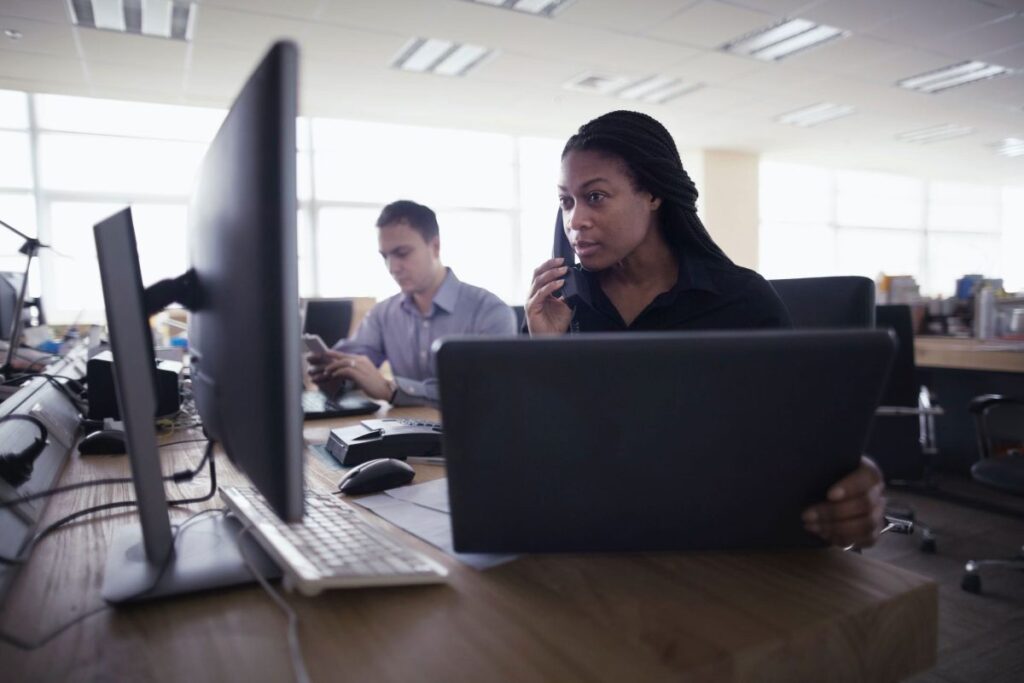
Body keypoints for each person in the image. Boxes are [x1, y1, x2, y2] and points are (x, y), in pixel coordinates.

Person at [526, 110, 885, 548]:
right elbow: (536, 450)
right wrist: (547, 351)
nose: (575, 220)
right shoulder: (560, 307)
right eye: (566, 201)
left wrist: (850, 478)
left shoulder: (740, 300)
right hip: (589, 526)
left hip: (715, 533)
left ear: (653, 193)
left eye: (596, 197)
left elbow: (800, 436)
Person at [308, 200, 517, 407]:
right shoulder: (383, 315)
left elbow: (486, 392)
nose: (392, 267)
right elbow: (352, 363)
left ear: (435, 247)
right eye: (385, 256)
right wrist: (335, 373)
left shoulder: (489, 311)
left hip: (472, 436)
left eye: (402, 253)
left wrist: (390, 389)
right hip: (402, 433)